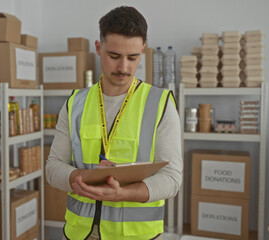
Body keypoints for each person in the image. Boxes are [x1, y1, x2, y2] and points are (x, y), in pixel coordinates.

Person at [46, 6, 182, 240]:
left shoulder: (160, 104)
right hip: (81, 233)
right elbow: (53, 167)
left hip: (136, 236)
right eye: (114, 56)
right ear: (98, 49)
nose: (123, 68)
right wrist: (82, 179)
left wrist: (123, 193)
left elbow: (172, 178)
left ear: (143, 50)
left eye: (133, 57)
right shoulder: (75, 103)